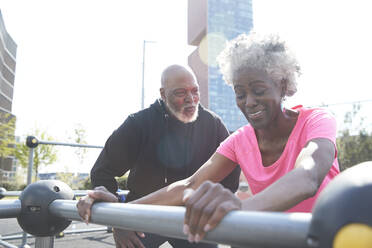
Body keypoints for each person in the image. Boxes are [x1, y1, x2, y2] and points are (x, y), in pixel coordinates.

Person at [78, 33, 340, 245]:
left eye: (258, 90)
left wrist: (237, 208)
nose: (249, 102)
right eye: (240, 93)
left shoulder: (315, 120)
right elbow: (188, 185)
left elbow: (308, 176)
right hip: (271, 239)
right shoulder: (240, 140)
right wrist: (124, 212)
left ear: (283, 85)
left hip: (327, 238)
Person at [82, 64, 241, 248]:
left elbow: (230, 175)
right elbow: (102, 172)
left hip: (191, 216)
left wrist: (209, 206)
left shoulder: (213, 124)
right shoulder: (139, 124)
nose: (191, 99)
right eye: (181, 93)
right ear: (163, 94)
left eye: (195, 91)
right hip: (143, 213)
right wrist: (118, 219)